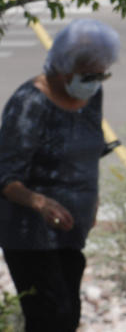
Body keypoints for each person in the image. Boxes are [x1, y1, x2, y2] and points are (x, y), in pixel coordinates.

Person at [0, 19, 119, 331]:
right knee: (51, 318)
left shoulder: (92, 95)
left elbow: (90, 149)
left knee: (69, 316)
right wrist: (40, 203)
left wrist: (92, 201)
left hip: (71, 233)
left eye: (101, 74)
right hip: (30, 236)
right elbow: (6, 176)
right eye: (89, 75)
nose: (96, 82)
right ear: (63, 69)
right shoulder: (29, 103)